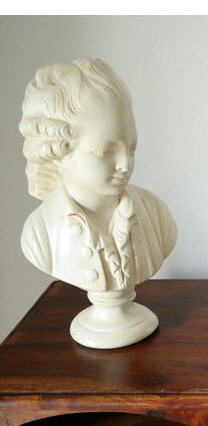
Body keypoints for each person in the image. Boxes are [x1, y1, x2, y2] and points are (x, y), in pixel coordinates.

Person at [19, 58, 177, 293]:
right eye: (104, 151)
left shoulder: (156, 214)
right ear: (59, 150)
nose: (126, 164)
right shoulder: (40, 234)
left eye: (132, 148)